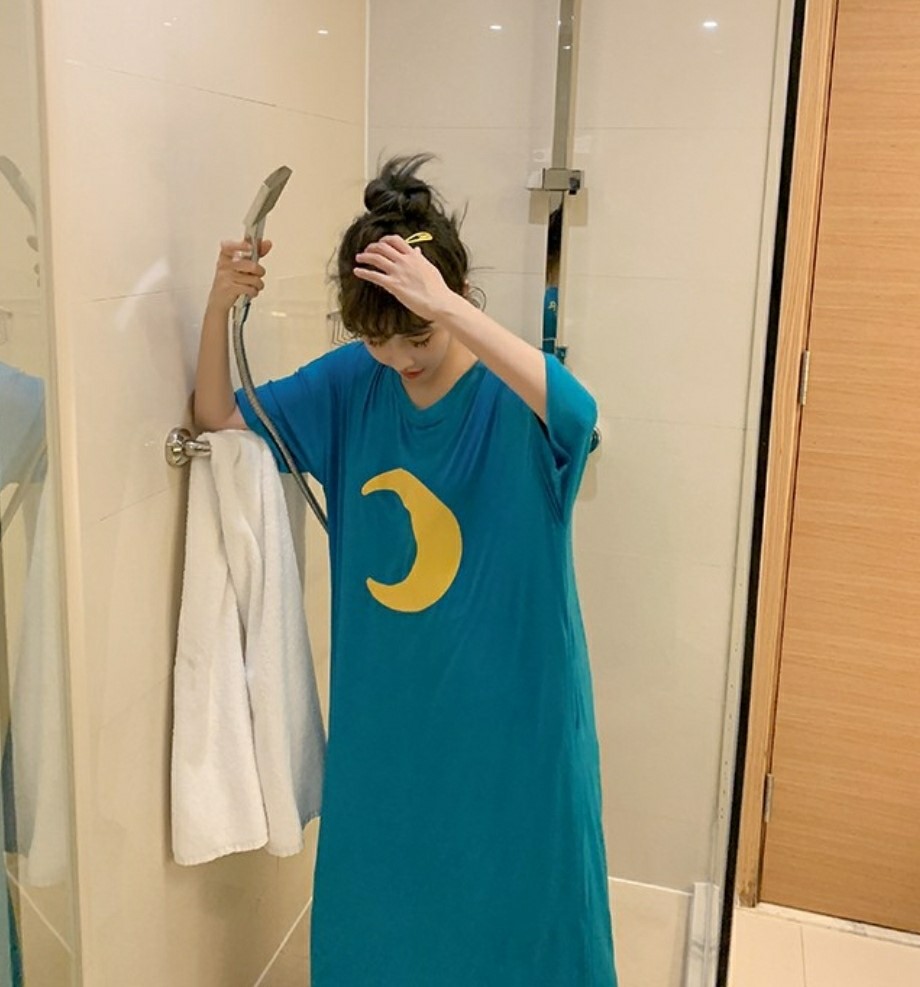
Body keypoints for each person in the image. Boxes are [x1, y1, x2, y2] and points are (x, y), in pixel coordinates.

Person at [194, 155, 618, 987]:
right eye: (377, 339)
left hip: (515, 720)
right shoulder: (355, 383)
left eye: (417, 335)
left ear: (452, 301)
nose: (399, 358)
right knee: (386, 916)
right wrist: (217, 305)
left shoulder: (515, 396)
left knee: (525, 912)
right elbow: (217, 415)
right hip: (390, 719)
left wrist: (449, 307)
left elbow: (582, 412)